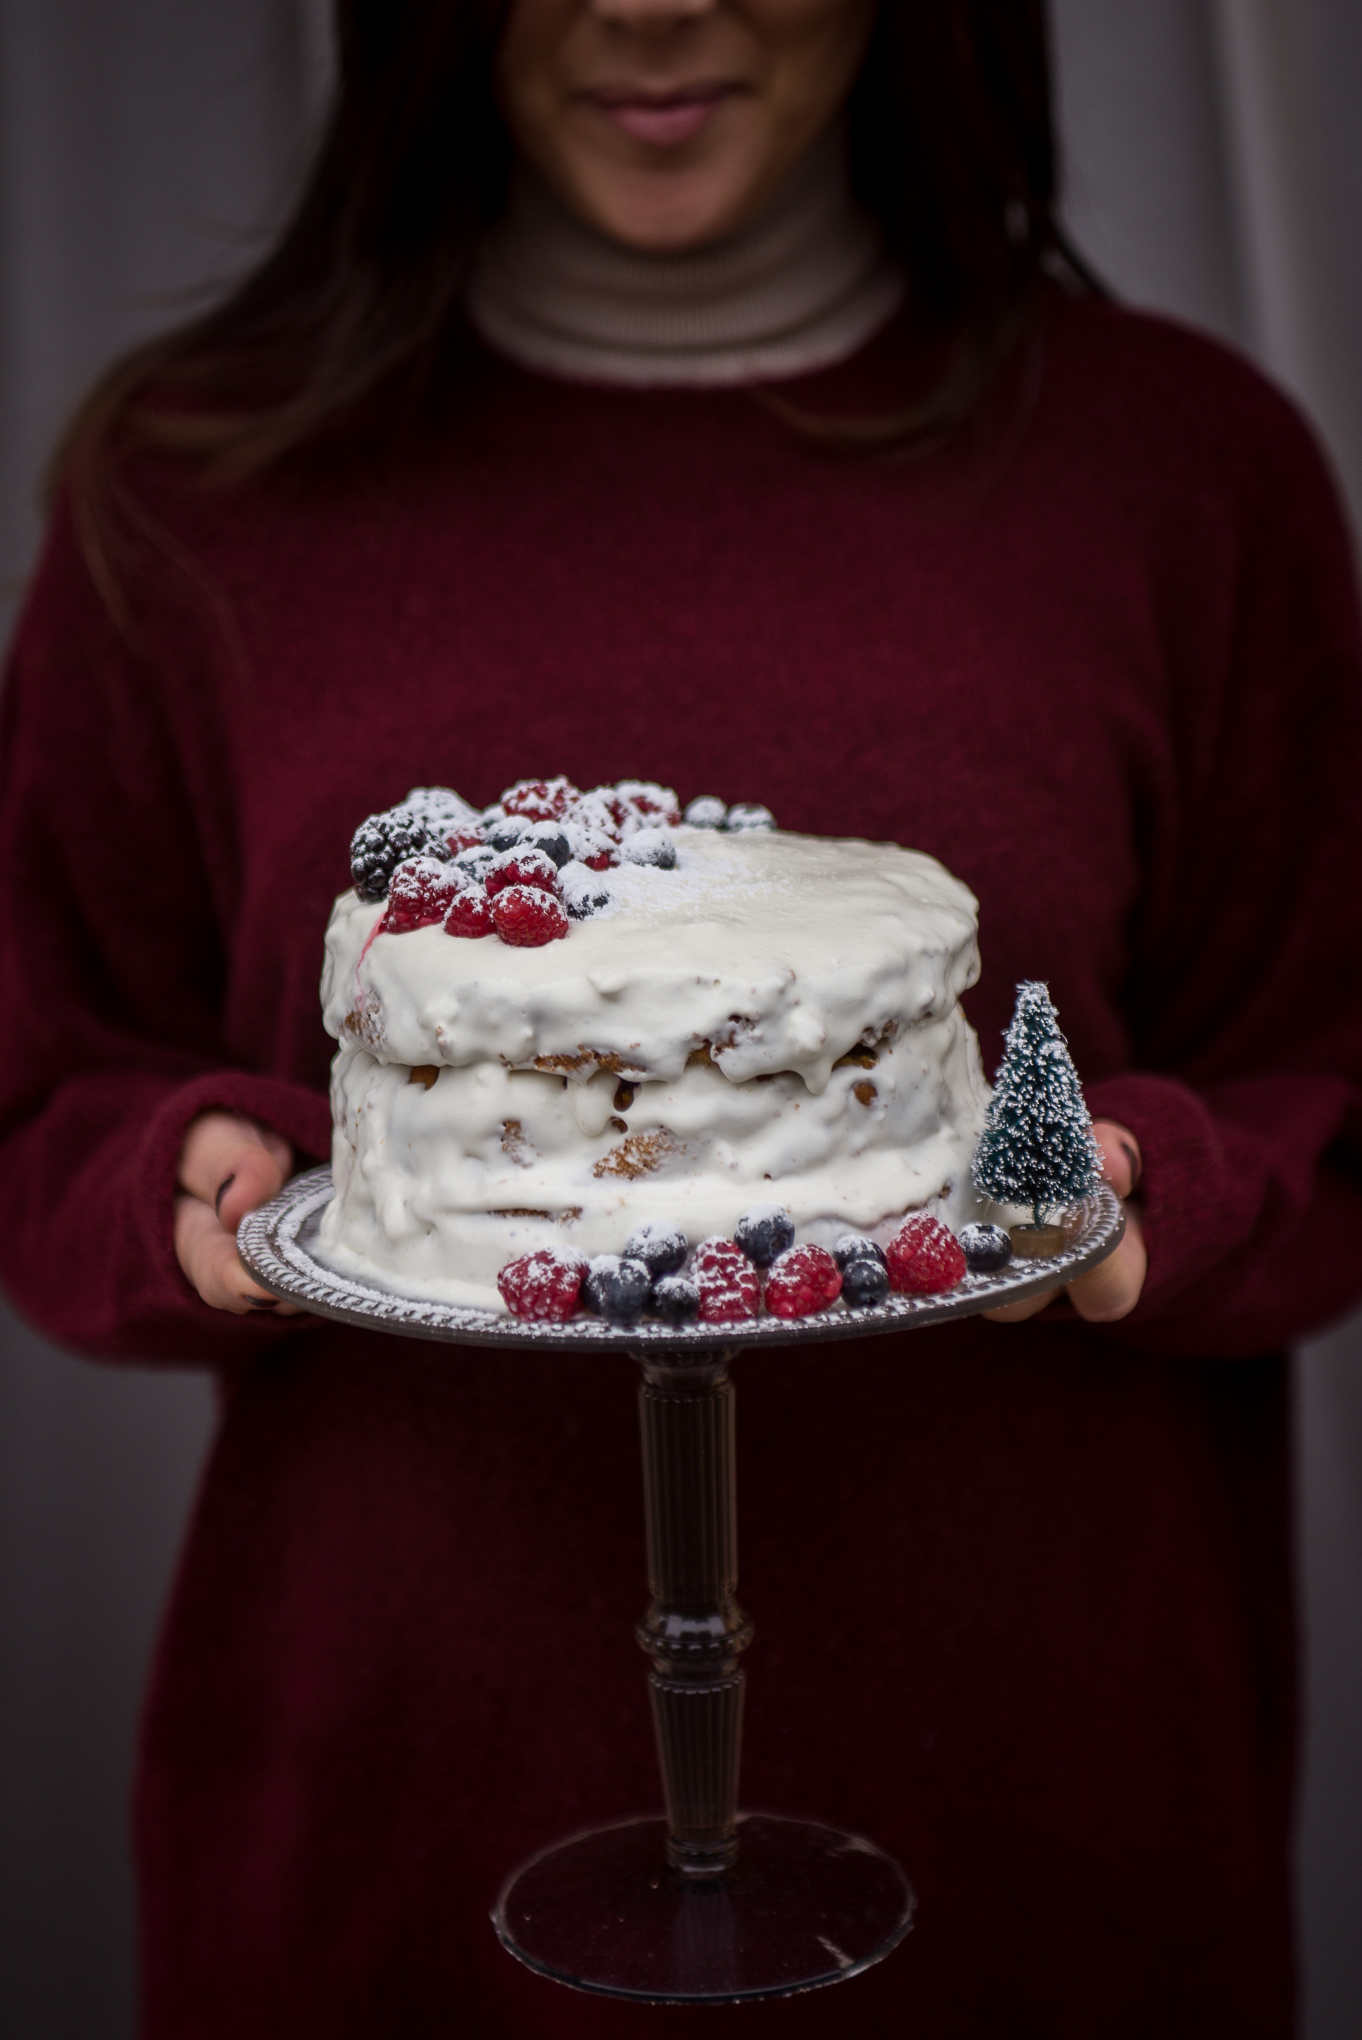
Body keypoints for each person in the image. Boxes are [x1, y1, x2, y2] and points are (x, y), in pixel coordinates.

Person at [0, 0, 1358, 2032]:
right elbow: (43, 1094)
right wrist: (170, 1178)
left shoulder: (1180, 468)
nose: (648, 1)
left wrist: (1151, 1195)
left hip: (1045, 1855)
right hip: (390, 1869)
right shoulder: (198, 487)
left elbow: (1327, 1090)